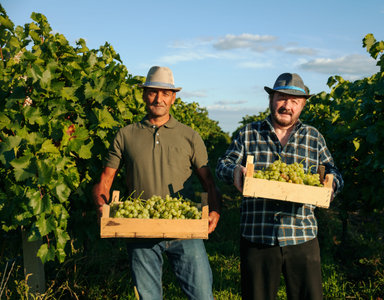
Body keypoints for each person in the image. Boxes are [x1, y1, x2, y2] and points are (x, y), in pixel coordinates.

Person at [92, 66, 221, 300]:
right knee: (148, 297)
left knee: (202, 295)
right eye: (153, 92)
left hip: (185, 229)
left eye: (165, 93)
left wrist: (215, 210)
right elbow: (105, 180)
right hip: (140, 230)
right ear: (143, 95)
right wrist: (102, 205)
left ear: (173, 98)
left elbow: (208, 182)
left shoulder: (189, 136)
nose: (158, 99)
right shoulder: (126, 134)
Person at [216, 72, 343, 300]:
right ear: (271, 100)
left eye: (294, 101)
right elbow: (223, 164)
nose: (287, 106)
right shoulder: (249, 133)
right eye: (281, 98)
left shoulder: (313, 137)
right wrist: (235, 171)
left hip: (301, 236)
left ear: (302, 105)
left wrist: (331, 185)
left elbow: (333, 171)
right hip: (258, 236)